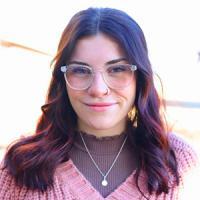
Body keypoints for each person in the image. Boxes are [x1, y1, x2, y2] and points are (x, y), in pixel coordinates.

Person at [0, 7, 199, 200]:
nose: (98, 89)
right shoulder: (21, 165)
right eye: (80, 70)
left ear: (140, 76)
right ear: (63, 78)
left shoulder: (180, 163)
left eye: (117, 69)